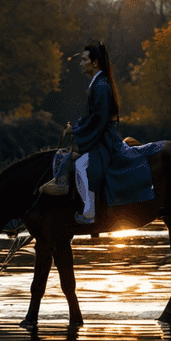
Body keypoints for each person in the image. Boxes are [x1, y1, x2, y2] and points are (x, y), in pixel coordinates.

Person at [63, 41, 124, 224]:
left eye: (84, 60)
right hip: (100, 135)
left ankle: (89, 213)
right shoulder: (98, 83)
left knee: (82, 165)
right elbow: (92, 116)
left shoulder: (101, 86)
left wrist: (76, 130)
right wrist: (76, 128)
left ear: (94, 62)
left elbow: (99, 118)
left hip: (104, 139)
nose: (81, 63)